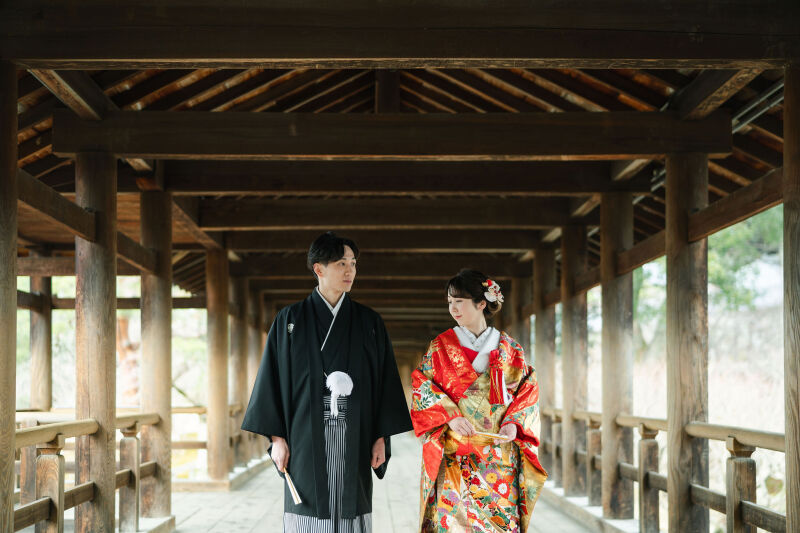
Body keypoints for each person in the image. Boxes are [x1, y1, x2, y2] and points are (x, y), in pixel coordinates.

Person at [242, 231, 413, 533]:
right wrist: (277, 439)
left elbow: (384, 382)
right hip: (304, 436)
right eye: (341, 264)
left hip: (357, 434)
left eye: (353, 263)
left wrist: (381, 438)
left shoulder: (369, 322)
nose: (350, 271)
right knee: (307, 507)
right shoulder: (289, 320)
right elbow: (271, 380)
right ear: (318, 269)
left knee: (352, 506)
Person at [410, 269, 547, 532]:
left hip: (497, 457)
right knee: (452, 525)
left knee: (498, 524)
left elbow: (528, 390)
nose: (453, 308)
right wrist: (451, 416)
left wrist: (513, 422)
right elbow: (421, 385)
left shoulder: (509, 349)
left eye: (459, 301)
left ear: (481, 303)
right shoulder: (440, 347)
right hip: (454, 453)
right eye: (450, 302)